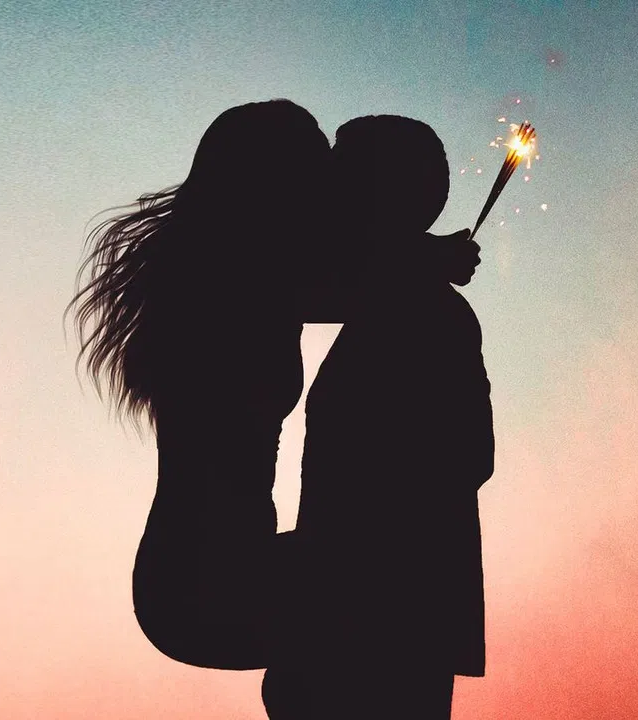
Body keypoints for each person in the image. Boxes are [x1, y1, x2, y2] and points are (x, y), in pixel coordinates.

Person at [65, 100, 480, 699]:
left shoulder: (238, 273)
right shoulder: (232, 277)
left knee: (395, 595)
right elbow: (329, 282)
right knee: (399, 593)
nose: (330, 182)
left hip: (214, 569)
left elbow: (338, 283)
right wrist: (423, 257)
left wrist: (419, 259)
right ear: (272, 182)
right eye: (317, 164)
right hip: (206, 580)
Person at [291, 115, 494, 719]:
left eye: (341, 182)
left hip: (375, 621)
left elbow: (466, 458)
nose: (320, 202)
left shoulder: (418, 312)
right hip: (388, 621)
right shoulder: (405, 299)